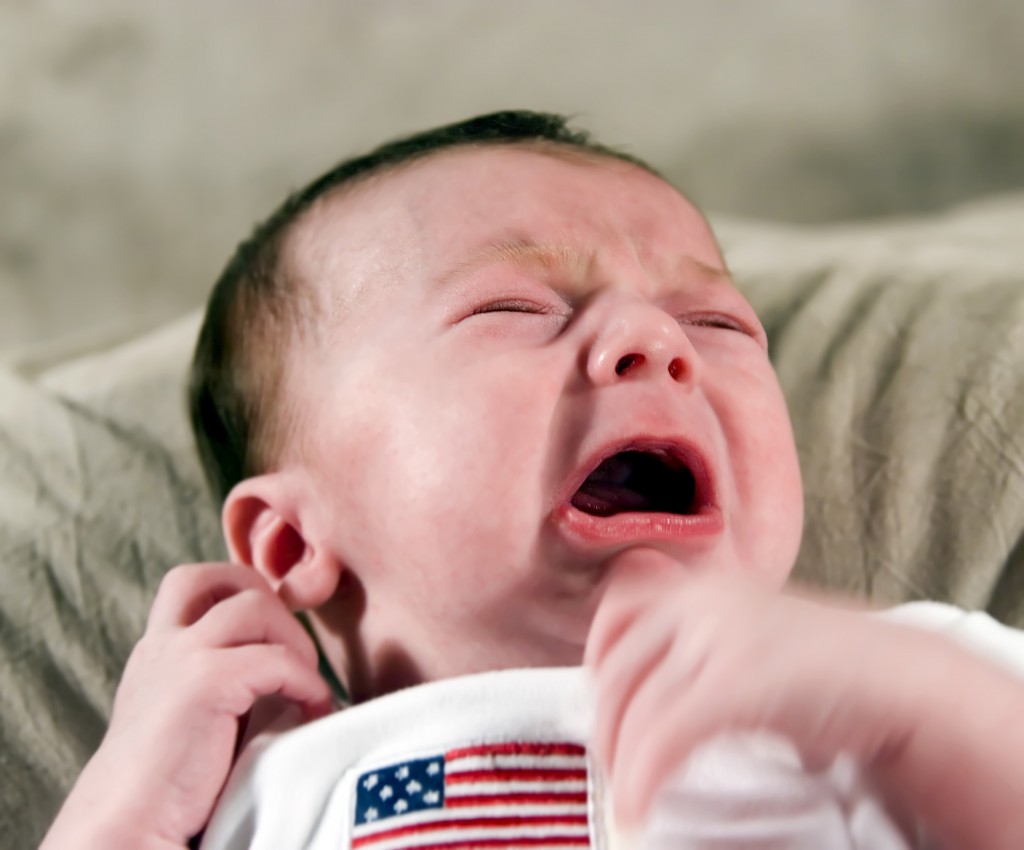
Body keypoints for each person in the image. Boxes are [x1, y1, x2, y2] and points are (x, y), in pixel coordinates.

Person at [41, 111, 1024, 849]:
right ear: (294, 542)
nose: (655, 340)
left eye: (717, 323)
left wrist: (917, 702)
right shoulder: (267, 780)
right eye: (513, 308)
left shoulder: (908, 672)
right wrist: (124, 805)